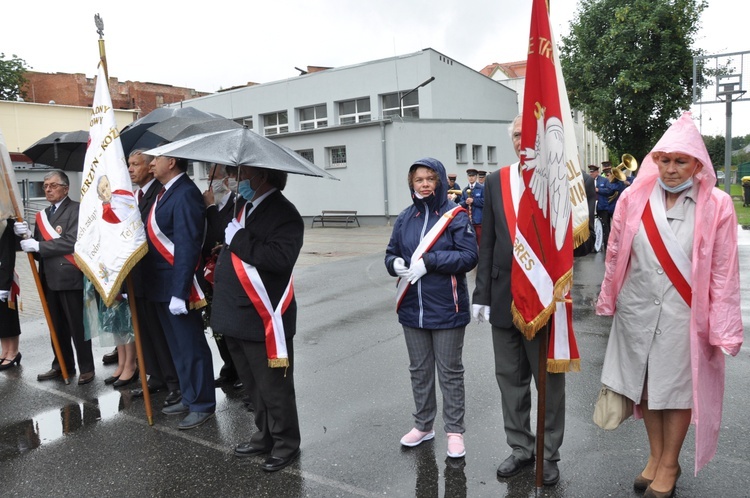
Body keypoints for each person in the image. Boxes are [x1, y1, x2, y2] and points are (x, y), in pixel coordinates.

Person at [596, 113, 743, 497]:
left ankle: (670, 463)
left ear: (697, 163)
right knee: (646, 389)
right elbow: (615, 253)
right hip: (637, 308)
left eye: (681, 161)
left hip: (685, 313)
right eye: (665, 159)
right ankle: (655, 456)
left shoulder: (718, 204)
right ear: (655, 159)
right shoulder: (632, 196)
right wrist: (610, 298)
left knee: (676, 390)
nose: (672, 169)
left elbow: (724, 269)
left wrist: (723, 326)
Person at [472, 114, 565, 486]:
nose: (519, 140)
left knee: (548, 382)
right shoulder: (497, 181)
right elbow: (489, 240)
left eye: (526, 134)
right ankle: (521, 447)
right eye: (515, 134)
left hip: (543, 300)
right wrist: (480, 293)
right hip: (502, 295)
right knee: (510, 378)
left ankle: (548, 452)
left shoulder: (556, 178)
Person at [210, 165, 305, 472]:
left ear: (262, 176)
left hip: (263, 317)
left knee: (274, 387)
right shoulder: (243, 205)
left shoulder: (284, 213)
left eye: (241, 172)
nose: (234, 178)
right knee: (253, 386)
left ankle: (286, 443)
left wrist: (239, 239)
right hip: (234, 314)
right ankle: (265, 435)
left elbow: (279, 259)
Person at [385, 157, 478, 459]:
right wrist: (394, 264)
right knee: (419, 371)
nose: (424, 184)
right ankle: (424, 425)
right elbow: (391, 253)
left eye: (430, 179)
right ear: (411, 183)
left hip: (447, 308)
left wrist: (431, 262)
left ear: (439, 181)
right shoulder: (404, 218)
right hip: (412, 308)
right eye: (418, 180)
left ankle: (454, 431)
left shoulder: (455, 215)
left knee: (450, 372)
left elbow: (468, 256)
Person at [144, 153, 215, 429]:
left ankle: (202, 403)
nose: (151, 163)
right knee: (177, 348)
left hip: (177, 285)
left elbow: (187, 245)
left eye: (156, 159)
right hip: (161, 284)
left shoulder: (185, 193)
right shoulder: (165, 192)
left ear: (171, 162)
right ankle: (189, 395)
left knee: (191, 346)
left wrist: (180, 290)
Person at [14, 170, 95, 385]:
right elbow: (39, 252)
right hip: (49, 278)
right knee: (56, 326)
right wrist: (26, 237)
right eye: (45, 186)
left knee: (77, 326)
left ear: (65, 188)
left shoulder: (76, 210)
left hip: (70, 276)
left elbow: (73, 242)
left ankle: (86, 367)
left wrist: (39, 244)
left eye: (53, 185)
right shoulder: (43, 215)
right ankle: (61, 364)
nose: (48, 189)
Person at [127, 149, 182, 406]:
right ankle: (156, 376)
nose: (130, 169)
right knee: (146, 332)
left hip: (156, 275)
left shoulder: (157, 193)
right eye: (128, 164)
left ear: (150, 167)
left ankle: (173, 382)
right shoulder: (132, 196)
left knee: (161, 335)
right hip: (138, 277)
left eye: (135, 164)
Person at [201, 163, 241, 390]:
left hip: (225, 275)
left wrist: (210, 209)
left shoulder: (235, 206)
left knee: (230, 327)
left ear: (226, 182)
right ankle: (228, 368)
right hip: (209, 274)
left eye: (213, 176)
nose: (209, 180)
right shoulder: (208, 204)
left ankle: (240, 372)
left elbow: (220, 235)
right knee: (217, 327)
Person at [0, 217, 22, 371]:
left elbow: (8, 255)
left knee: (8, 315)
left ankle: (13, 352)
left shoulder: (5, 223)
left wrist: (4, 283)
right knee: (0, 317)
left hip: (4, 277)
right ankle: (4, 351)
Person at [594, 161, 624, 251]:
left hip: (614, 205)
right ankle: (606, 244)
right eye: (605, 169)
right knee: (606, 227)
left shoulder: (617, 179)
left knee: (617, 226)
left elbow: (614, 188)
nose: (606, 171)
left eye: (608, 169)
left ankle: (618, 244)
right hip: (605, 205)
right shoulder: (601, 178)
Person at [460, 169, 484, 244]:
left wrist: (473, 201)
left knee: (480, 241)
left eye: (473, 176)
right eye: (469, 176)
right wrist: (465, 202)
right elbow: (461, 204)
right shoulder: (465, 190)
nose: (471, 178)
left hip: (479, 220)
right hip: (468, 220)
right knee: (470, 241)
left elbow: (485, 201)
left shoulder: (481, 188)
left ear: (476, 177)